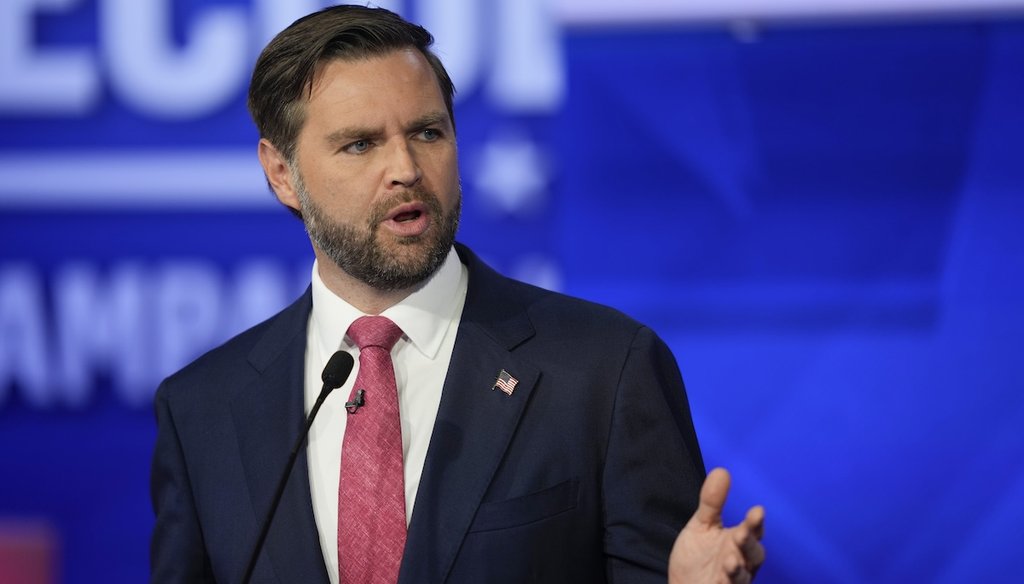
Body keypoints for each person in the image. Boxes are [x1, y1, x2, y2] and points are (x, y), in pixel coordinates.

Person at [150, 5, 764, 583]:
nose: (407, 168)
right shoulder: (204, 410)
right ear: (282, 173)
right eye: (360, 144)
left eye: (427, 132)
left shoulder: (604, 371)